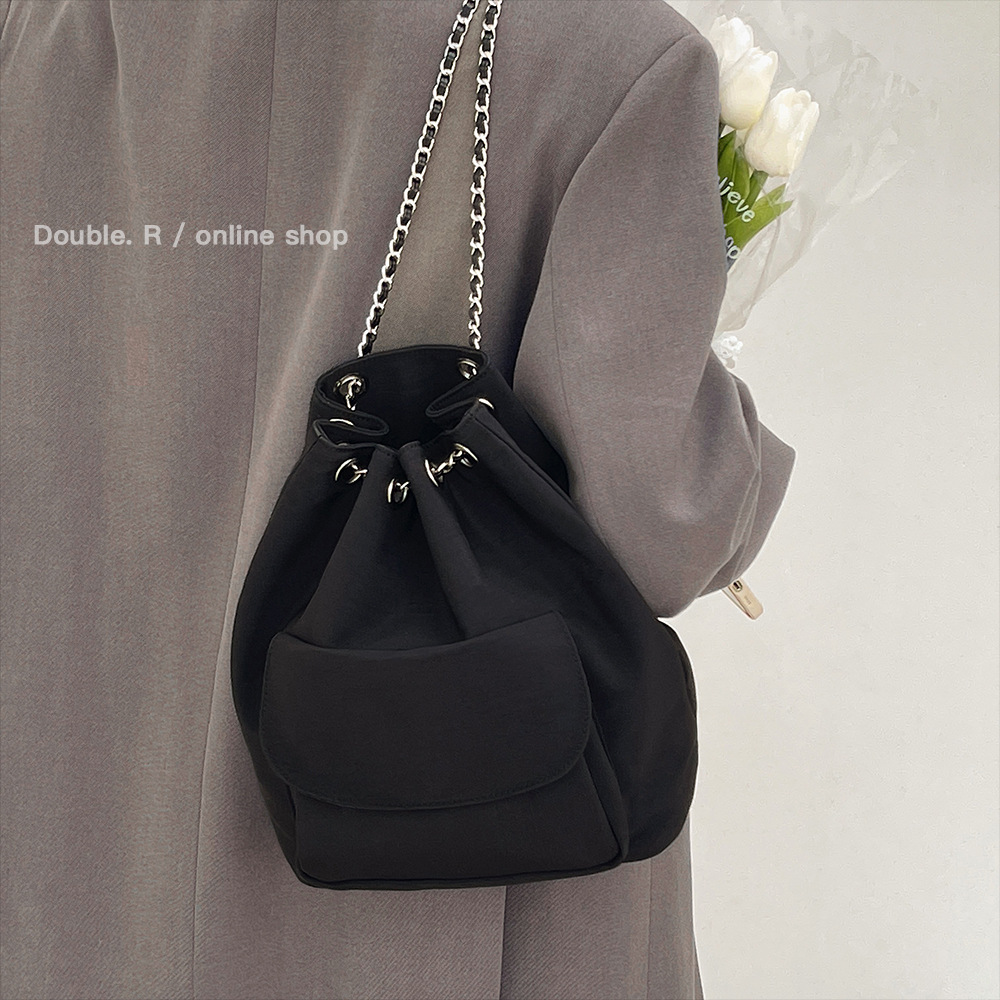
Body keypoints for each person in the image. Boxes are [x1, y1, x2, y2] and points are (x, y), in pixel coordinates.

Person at [0, 1, 794, 997]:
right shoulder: (606, 55)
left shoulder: (37, 32)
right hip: (449, 840)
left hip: (83, 827)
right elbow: (660, 526)